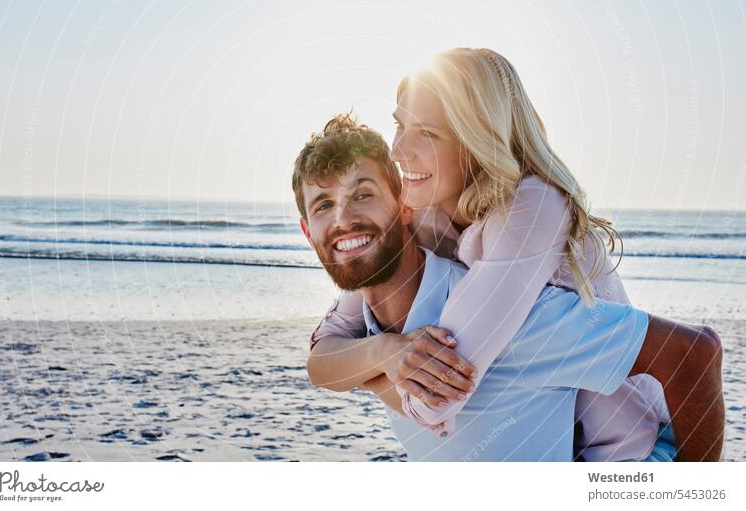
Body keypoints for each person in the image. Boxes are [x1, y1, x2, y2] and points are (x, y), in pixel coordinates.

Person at [297, 112, 724, 461]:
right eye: (323, 206)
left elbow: (694, 354)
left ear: (405, 205)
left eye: (363, 194)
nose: (342, 219)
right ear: (306, 230)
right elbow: (319, 363)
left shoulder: (517, 314)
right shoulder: (367, 308)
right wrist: (385, 354)